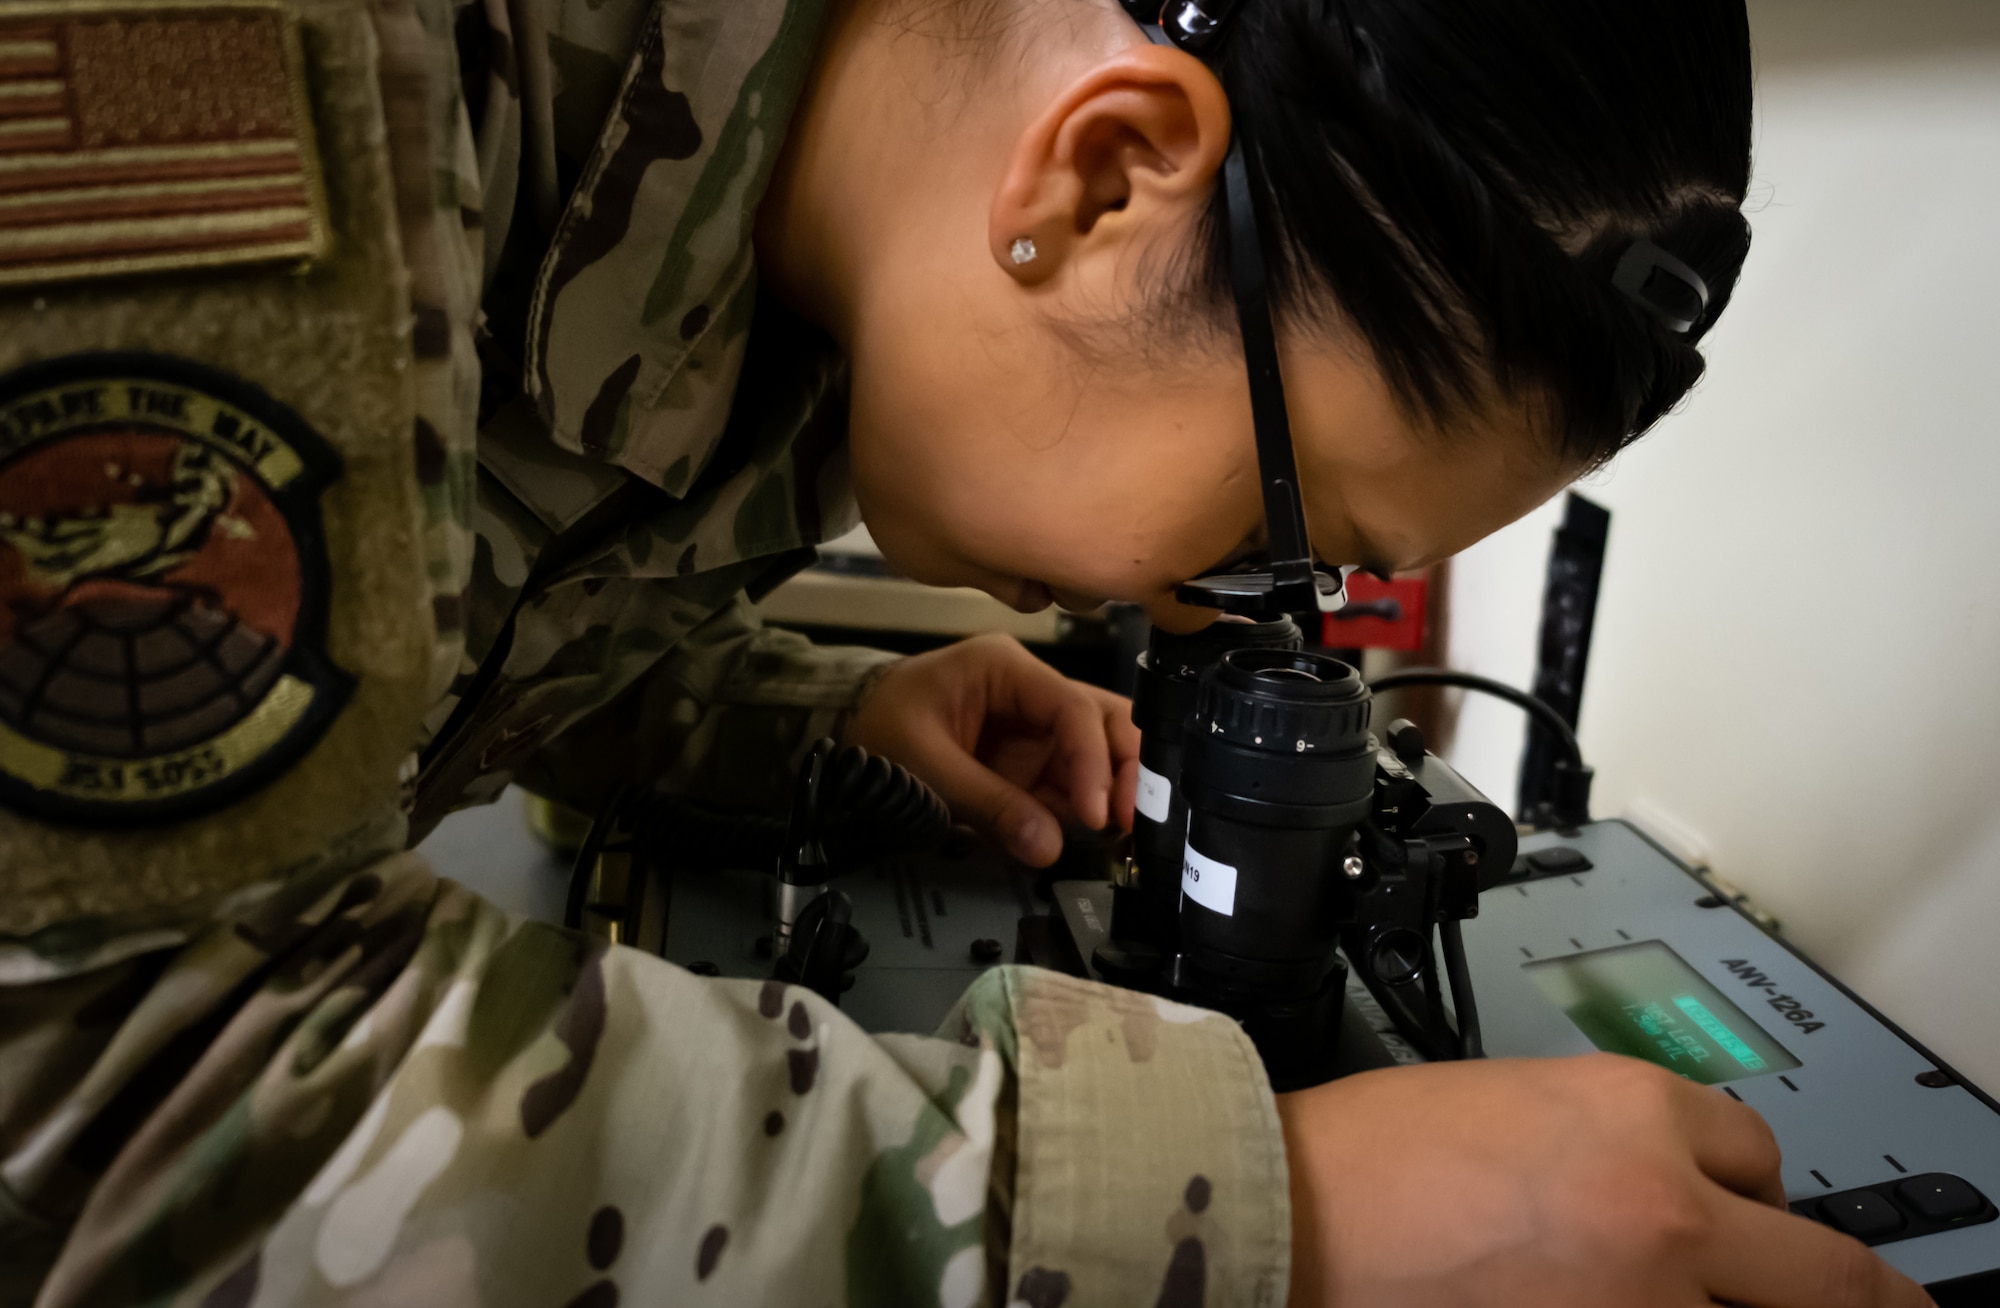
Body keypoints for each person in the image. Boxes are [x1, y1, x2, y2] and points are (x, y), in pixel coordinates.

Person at [0, 0, 1935, 1303]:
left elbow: (447, 579)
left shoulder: (804, 274)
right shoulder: (237, 50)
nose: (1213, 615)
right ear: (1100, 182)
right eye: (1287, 535)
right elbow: (107, 1085)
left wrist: (784, 719)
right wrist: (1290, 1224)